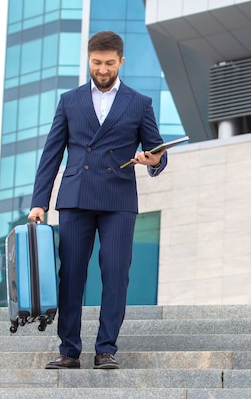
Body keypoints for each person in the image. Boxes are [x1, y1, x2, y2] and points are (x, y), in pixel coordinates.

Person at [27, 31, 168, 370]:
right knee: (71, 275)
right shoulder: (70, 101)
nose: (102, 69)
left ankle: (106, 348)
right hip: (76, 197)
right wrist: (39, 203)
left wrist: (154, 161)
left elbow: (157, 151)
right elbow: (51, 155)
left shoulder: (139, 103)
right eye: (96, 63)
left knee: (116, 274)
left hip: (119, 199)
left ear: (120, 61)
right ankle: (69, 350)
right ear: (88, 61)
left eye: (108, 63)